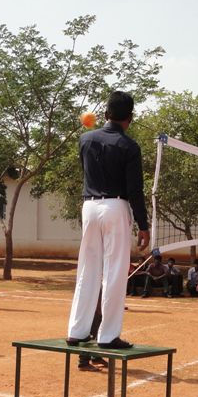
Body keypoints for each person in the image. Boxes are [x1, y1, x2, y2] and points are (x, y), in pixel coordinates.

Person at [66, 90, 150, 350]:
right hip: (116, 205)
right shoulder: (129, 146)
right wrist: (143, 224)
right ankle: (108, 335)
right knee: (114, 272)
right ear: (130, 118)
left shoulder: (85, 139)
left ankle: (77, 331)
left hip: (89, 207)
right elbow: (135, 189)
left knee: (87, 268)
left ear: (105, 114)